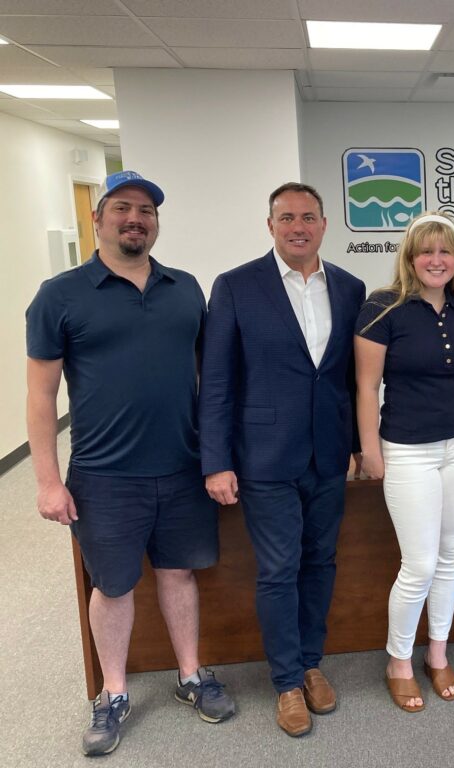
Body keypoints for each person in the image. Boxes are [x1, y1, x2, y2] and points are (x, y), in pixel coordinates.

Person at [26, 171, 235, 757]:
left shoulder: (185, 288)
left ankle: (190, 677)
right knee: (114, 587)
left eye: (145, 210)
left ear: (156, 222)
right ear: (98, 219)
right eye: (121, 208)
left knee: (179, 575)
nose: (134, 219)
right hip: (104, 475)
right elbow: (40, 395)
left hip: (183, 467)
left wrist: (217, 454)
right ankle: (113, 693)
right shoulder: (60, 295)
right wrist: (46, 480)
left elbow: (208, 379)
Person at [199, 182, 365, 735]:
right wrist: (216, 460)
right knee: (278, 570)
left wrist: (358, 446)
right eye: (287, 217)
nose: (298, 226)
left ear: (324, 224)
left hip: (328, 456)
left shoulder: (348, 286)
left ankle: (312, 663)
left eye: (309, 217)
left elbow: (348, 378)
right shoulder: (235, 286)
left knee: (321, 562)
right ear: (269, 224)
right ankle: (287, 682)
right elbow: (217, 381)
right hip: (263, 458)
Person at [355, 211, 454, 713]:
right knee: (420, 563)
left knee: (452, 554)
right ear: (410, 258)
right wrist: (369, 449)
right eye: (425, 251)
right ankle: (399, 661)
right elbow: (366, 386)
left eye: (445, 251)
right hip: (407, 448)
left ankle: (437, 652)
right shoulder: (381, 308)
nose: (436, 259)